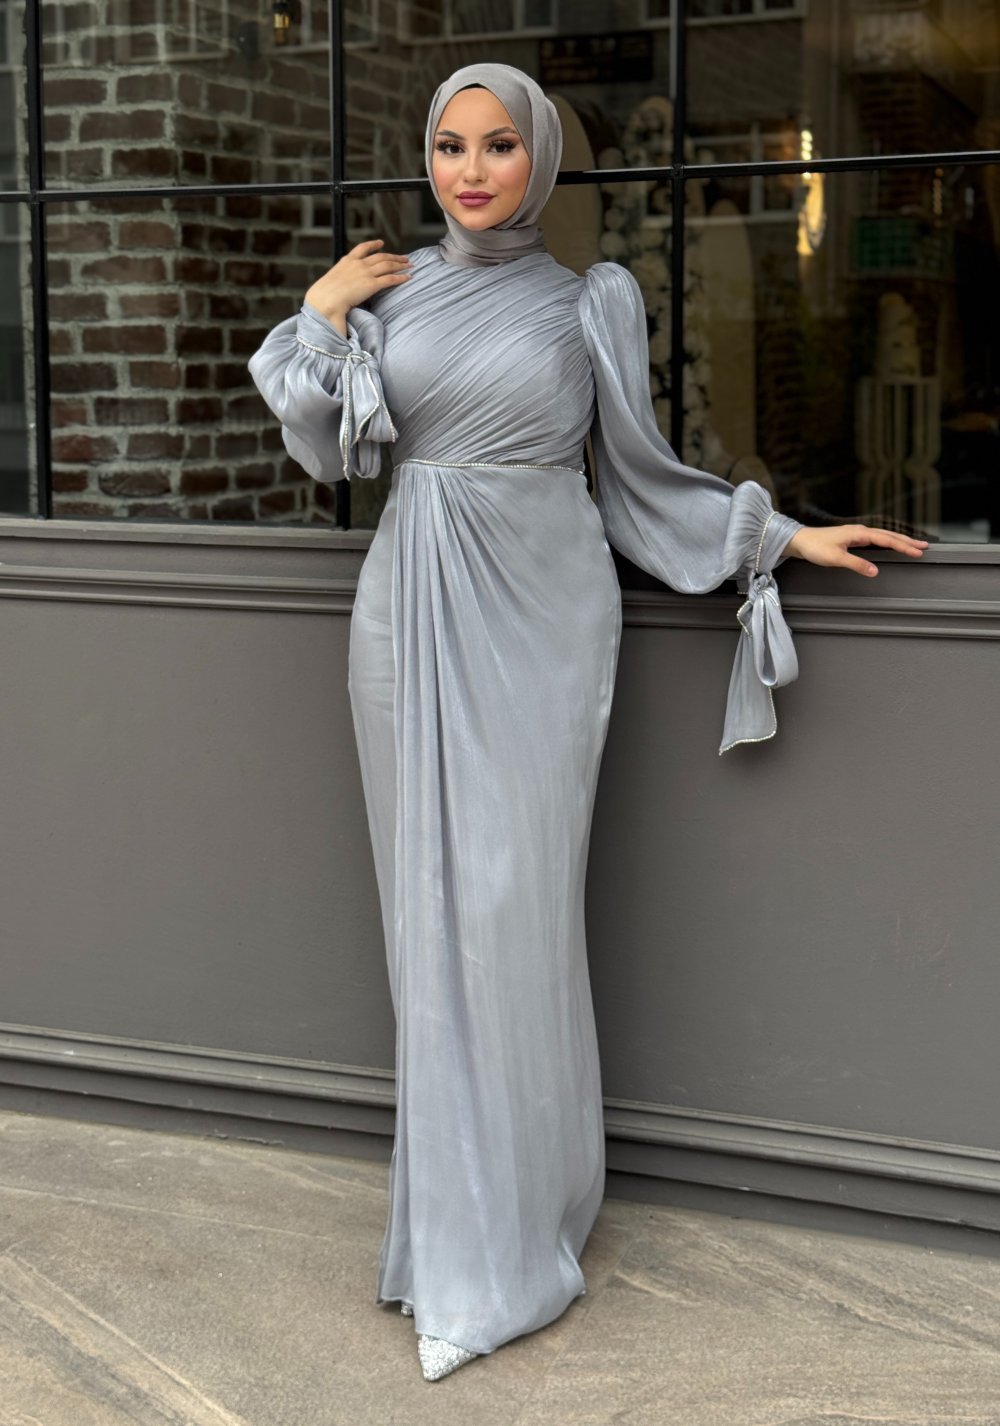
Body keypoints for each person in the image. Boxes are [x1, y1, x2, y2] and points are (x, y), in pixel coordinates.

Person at [247, 62, 928, 1382]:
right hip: (405, 611)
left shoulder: (590, 303)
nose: (471, 170)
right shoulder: (387, 292)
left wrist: (777, 537)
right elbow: (334, 452)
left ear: (543, 161)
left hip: (542, 620)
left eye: (500, 145)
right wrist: (317, 316)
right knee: (427, 919)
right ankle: (450, 1241)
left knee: (512, 914)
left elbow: (638, 480)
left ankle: (514, 1240)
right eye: (450, 145)